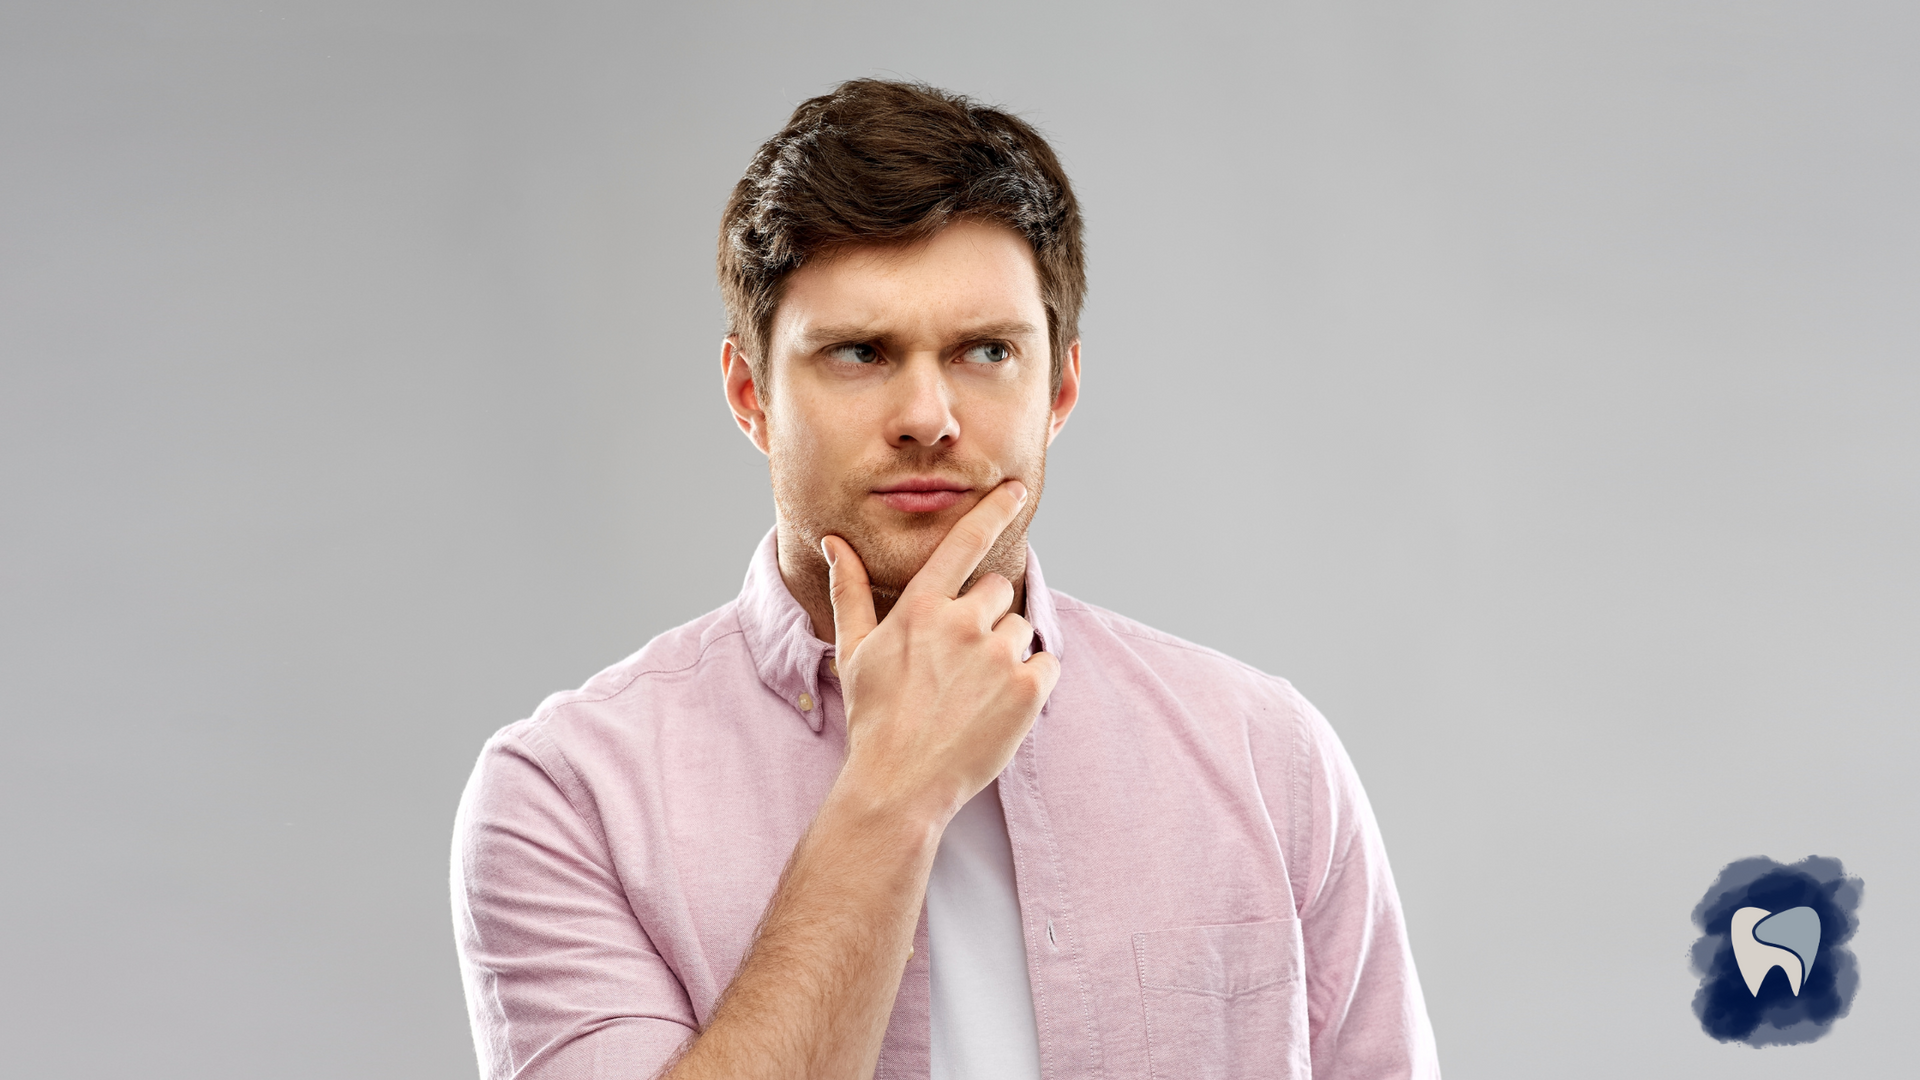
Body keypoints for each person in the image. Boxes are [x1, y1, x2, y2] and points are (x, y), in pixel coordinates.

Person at [451, 78, 1440, 1080]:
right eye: (859, 352)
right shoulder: (565, 798)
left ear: (1058, 389)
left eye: (984, 351)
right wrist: (894, 789)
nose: (928, 414)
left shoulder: (1272, 762)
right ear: (751, 396)